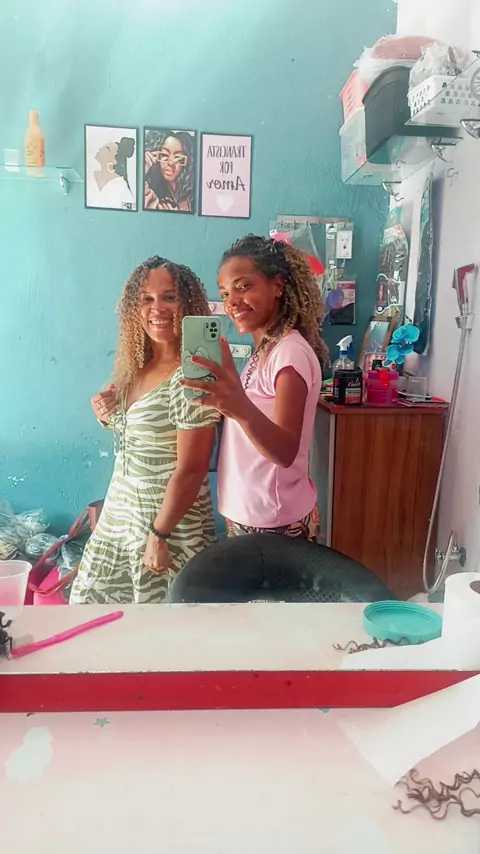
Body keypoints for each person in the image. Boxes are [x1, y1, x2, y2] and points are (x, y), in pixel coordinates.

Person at [70, 257, 219, 604]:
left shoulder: (194, 372)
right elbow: (139, 435)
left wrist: (158, 535)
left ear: (189, 304)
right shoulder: (137, 367)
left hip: (168, 527)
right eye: (146, 299)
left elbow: (193, 468)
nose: (158, 308)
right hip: (121, 518)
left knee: (162, 627)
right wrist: (106, 412)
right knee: (94, 612)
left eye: (170, 297)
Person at [181, 234, 329, 541]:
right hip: (251, 514)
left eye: (244, 286)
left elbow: (285, 451)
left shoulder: (289, 353)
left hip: (273, 522)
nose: (232, 302)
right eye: (225, 293)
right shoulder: (264, 352)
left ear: (277, 286)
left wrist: (237, 406)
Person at [144, 129, 195, 212]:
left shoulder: (193, 195)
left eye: (178, 158)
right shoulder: (153, 196)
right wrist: (144, 169)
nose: (170, 163)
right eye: (164, 155)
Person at [89, 136, 136, 210]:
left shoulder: (120, 186)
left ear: (114, 160)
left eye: (107, 149)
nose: (100, 149)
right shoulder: (92, 177)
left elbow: (129, 209)